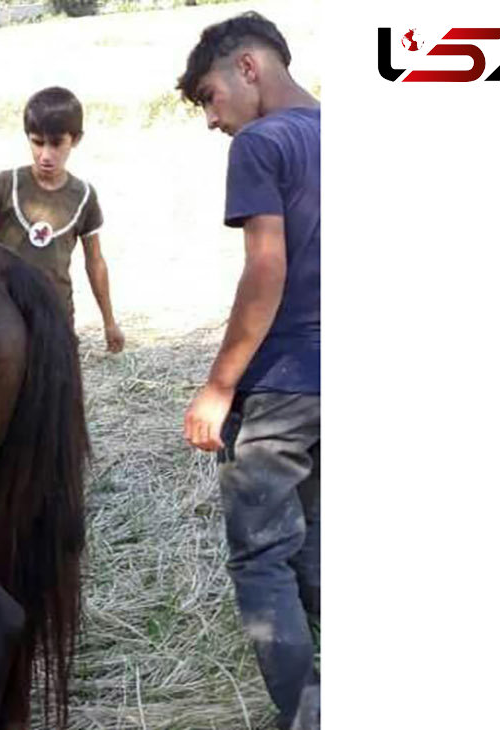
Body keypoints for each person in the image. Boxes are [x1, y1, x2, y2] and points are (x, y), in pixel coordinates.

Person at [176, 12, 320, 730]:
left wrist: (220, 385)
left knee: (262, 555)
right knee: (320, 536)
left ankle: (306, 715)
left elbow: (266, 270)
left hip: (285, 380)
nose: (210, 119)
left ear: (249, 68)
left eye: (208, 96)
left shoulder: (264, 142)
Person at [0, 86, 125, 352]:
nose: (45, 155)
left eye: (56, 143)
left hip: (57, 315)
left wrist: (109, 322)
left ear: (75, 140)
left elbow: (95, 262)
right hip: (5, 313)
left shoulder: (84, 196)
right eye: (37, 142)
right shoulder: (6, 185)